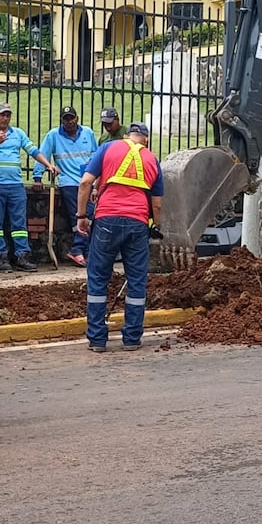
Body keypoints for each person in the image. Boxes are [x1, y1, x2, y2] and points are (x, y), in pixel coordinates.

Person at [76, 122, 163, 353]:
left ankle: (97, 339)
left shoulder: (107, 148)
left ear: (126, 136)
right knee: (136, 281)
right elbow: (157, 203)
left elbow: (85, 182)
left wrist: (82, 216)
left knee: (97, 278)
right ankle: (132, 338)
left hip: (106, 220)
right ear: (145, 140)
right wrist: (156, 225)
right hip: (138, 223)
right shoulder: (152, 159)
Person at [0, 100, 59, 273]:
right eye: (2, 115)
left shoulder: (18, 133)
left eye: (8, 115)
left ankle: (22, 256)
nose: (5, 118)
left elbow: (33, 151)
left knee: (19, 222)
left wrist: (48, 165)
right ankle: (1, 257)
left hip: (16, 185)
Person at [33, 105, 99, 267]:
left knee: (89, 215)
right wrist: (37, 176)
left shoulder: (88, 133)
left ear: (77, 118)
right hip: (68, 181)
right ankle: (78, 250)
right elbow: (43, 153)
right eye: (66, 119)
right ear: (62, 121)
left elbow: (96, 155)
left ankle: (82, 250)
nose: (69, 122)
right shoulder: (53, 135)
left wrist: (97, 180)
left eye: (72, 118)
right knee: (79, 215)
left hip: (87, 180)